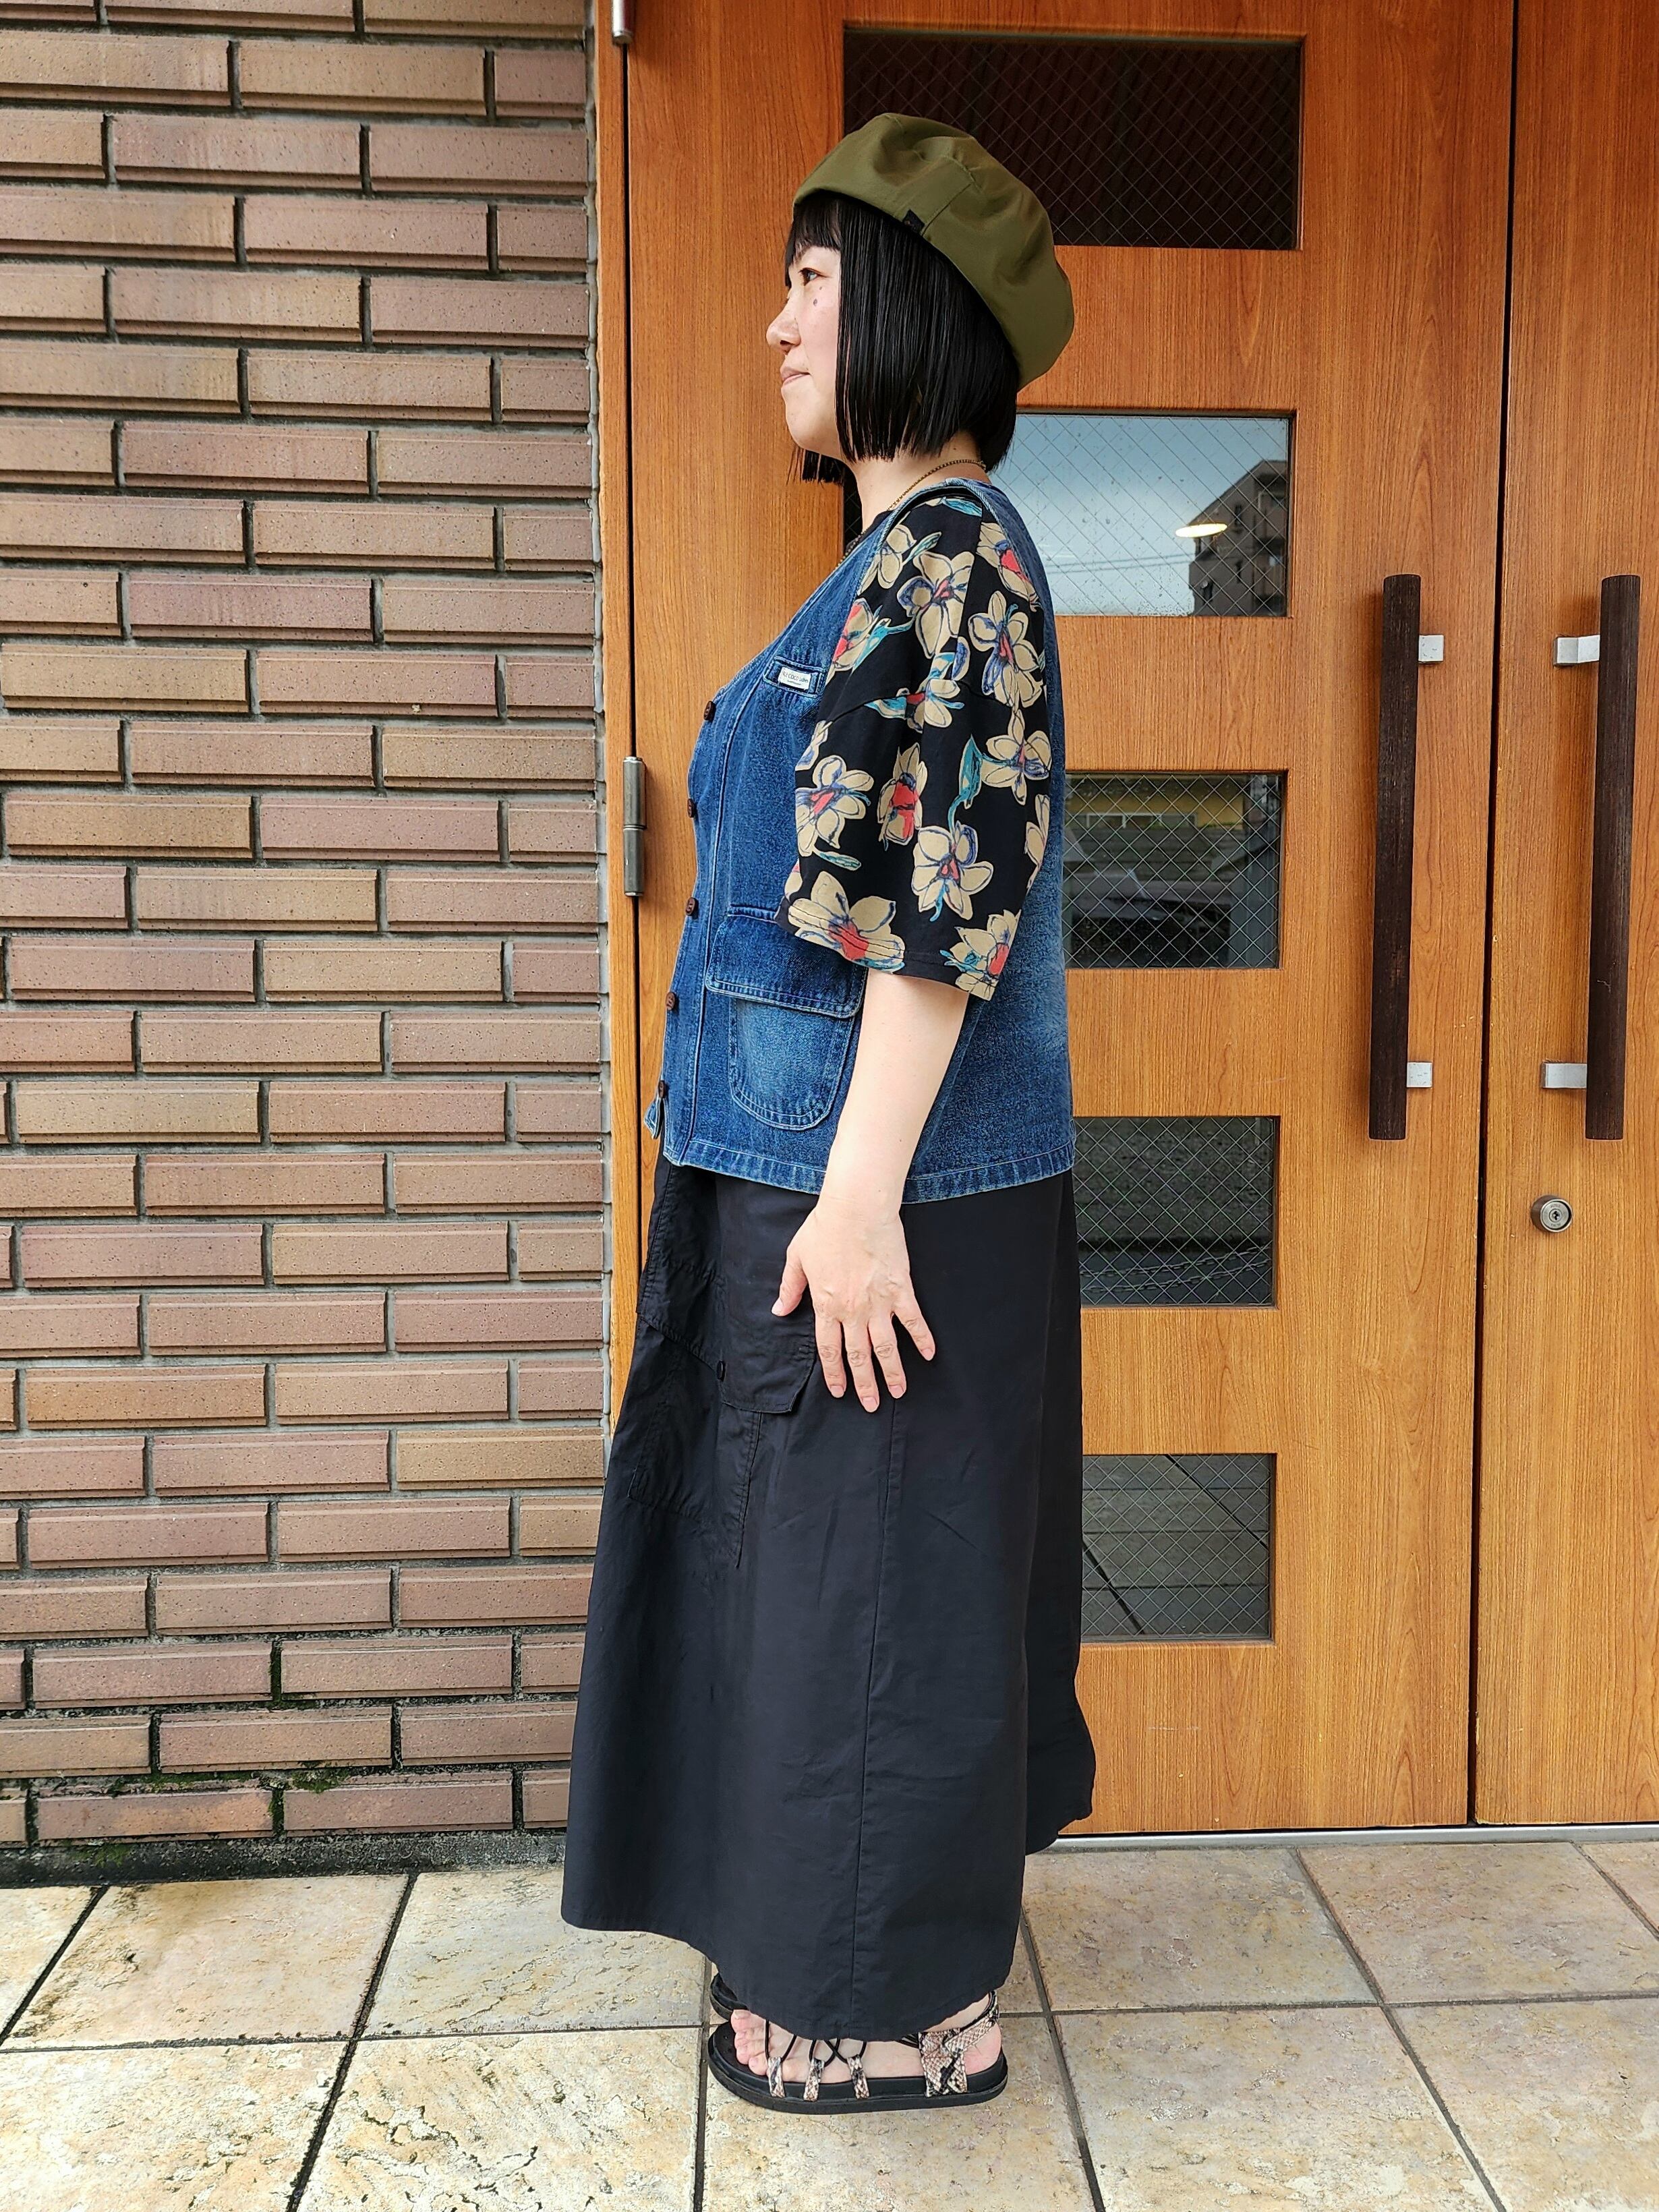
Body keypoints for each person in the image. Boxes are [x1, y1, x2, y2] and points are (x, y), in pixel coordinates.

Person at [560, 112, 1095, 2114]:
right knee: (821, 1594)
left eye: (809, 282)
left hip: (878, 1195)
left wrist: (857, 1204)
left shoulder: (957, 564)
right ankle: (824, 1957)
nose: (776, 326)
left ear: (905, 308)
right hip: (810, 1177)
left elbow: (939, 916)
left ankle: (889, 2019)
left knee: (874, 1602)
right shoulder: (888, 570)